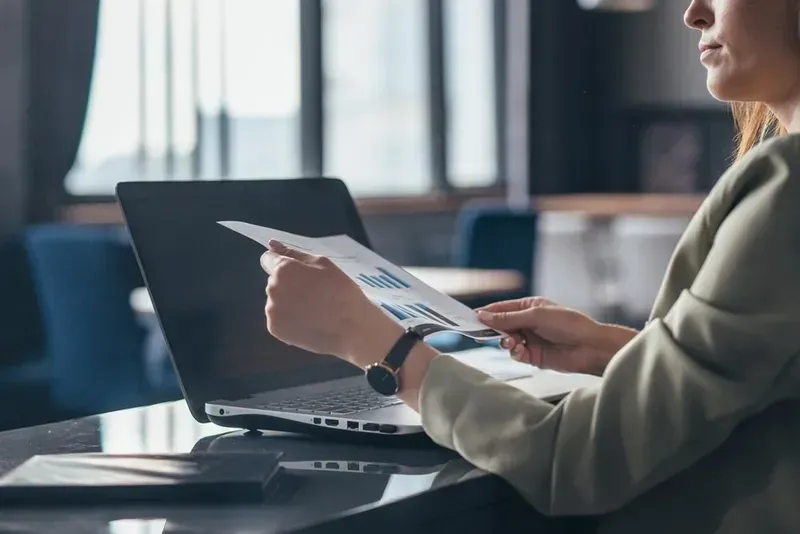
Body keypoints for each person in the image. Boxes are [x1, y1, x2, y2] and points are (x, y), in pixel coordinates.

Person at [260, 0, 800, 531]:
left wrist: (382, 348)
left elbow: (578, 463)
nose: (694, 13)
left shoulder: (786, 182)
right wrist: (616, 351)